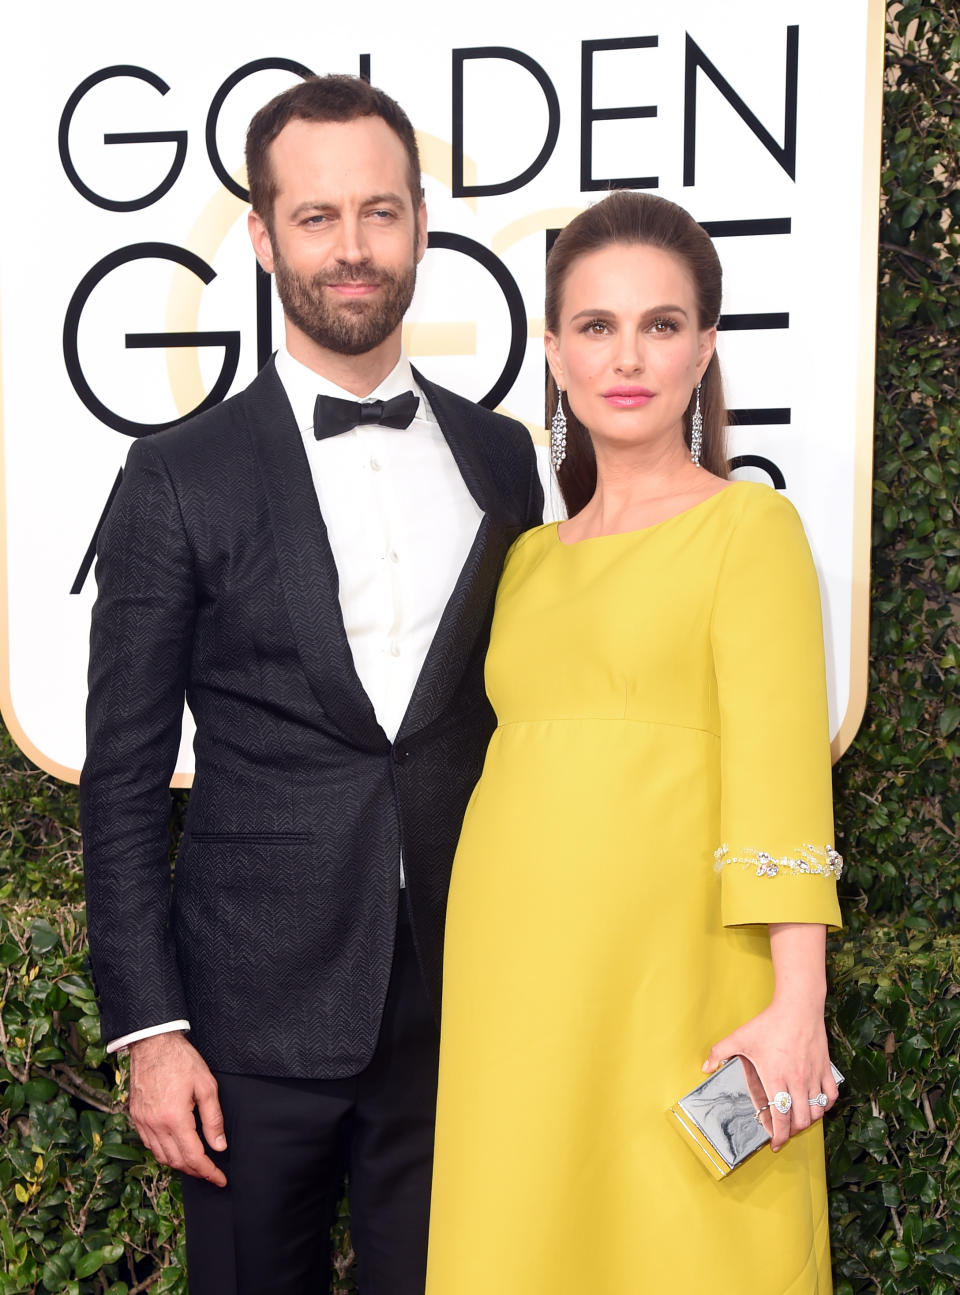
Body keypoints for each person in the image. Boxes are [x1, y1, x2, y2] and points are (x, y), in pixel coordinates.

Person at [80, 74, 542, 1295]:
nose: (353, 247)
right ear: (264, 234)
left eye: (380, 213)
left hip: (459, 1001)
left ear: (422, 226)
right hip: (245, 1022)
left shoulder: (506, 458)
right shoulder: (179, 472)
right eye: (318, 215)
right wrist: (151, 1028)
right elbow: (122, 773)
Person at [425, 190, 843, 1293]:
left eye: (661, 325)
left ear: (704, 348)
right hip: (515, 978)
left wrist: (797, 1002)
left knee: (689, 1245)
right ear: (555, 352)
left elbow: (781, 776)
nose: (629, 355)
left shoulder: (750, 529)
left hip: (681, 975)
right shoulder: (525, 562)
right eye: (598, 326)